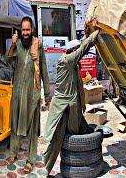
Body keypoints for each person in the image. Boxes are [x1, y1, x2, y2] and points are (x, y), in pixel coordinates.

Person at [43, 19, 100, 175]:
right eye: (75, 50)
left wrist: (88, 31)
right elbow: (83, 49)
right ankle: (44, 170)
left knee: (84, 131)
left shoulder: (71, 62)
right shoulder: (67, 61)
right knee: (59, 141)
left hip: (74, 106)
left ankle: (85, 162)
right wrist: (95, 33)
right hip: (64, 109)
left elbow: (82, 46)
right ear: (70, 51)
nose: (77, 53)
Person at [6, 16, 51, 174]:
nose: (25, 32)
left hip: (32, 93)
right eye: (23, 30)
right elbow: (8, 62)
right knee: (15, 122)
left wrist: (47, 95)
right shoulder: (17, 44)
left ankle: (31, 160)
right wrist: (12, 45)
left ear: (32, 30)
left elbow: (44, 69)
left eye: (27, 30)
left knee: (32, 128)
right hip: (18, 92)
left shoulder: (37, 45)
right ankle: (13, 152)